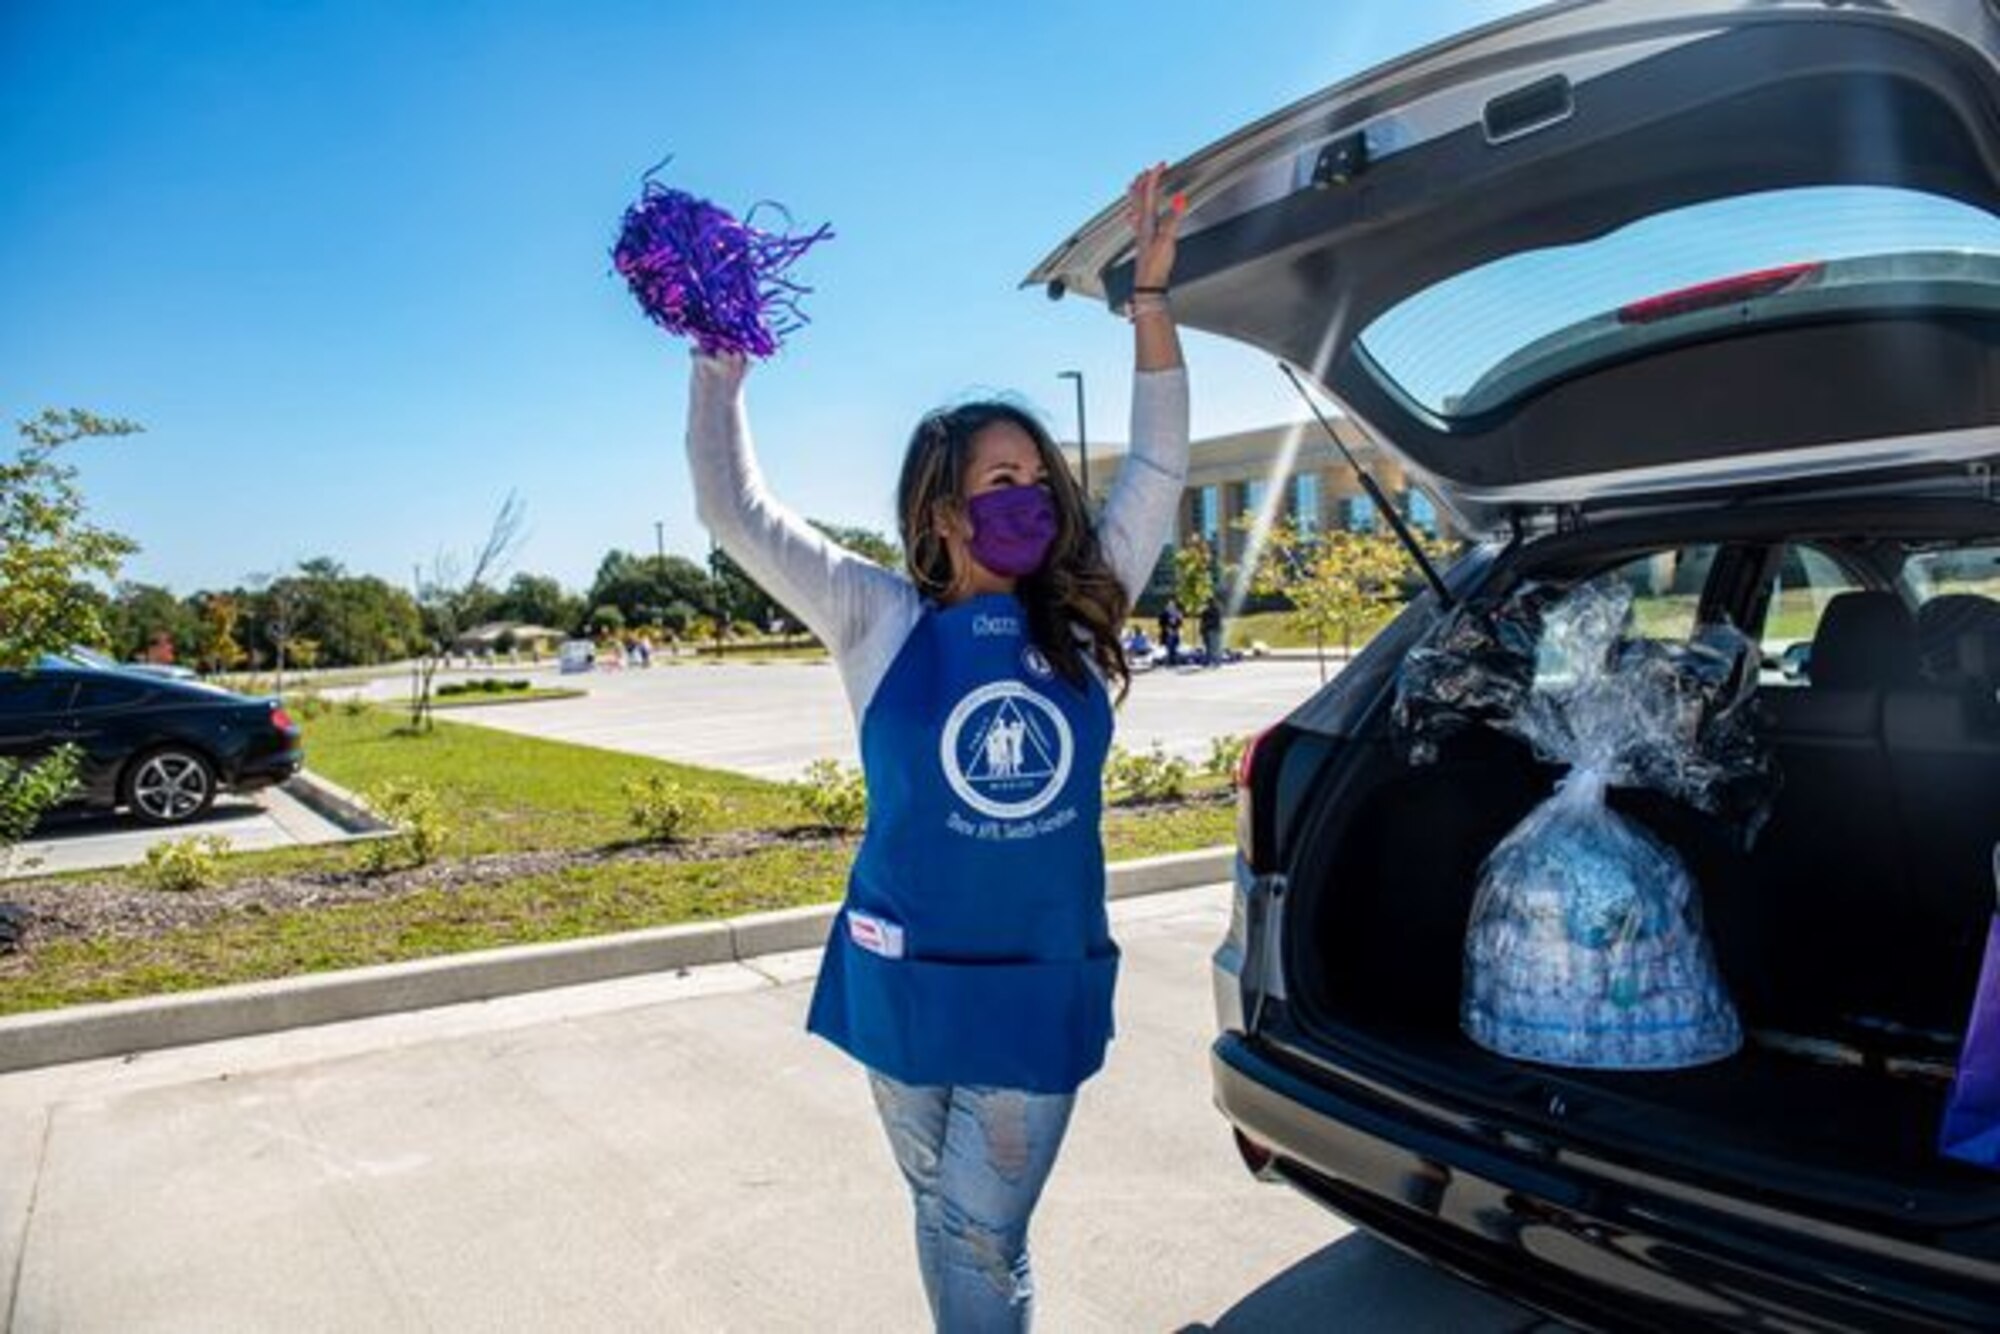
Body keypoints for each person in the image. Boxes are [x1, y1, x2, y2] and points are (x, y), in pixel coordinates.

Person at [682, 165, 1186, 1331]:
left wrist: (1149, 301)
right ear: (943, 511)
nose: (1035, 500)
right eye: (1001, 481)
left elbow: (1156, 470)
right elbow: (733, 512)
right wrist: (720, 366)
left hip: (1036, 978)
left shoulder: (1086, 604)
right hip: (900, 971)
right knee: (940, 1210)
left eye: (1039, 479)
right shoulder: (877, 618)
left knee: (979, 1225)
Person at [1157, 597, 1184, 666]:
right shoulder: (1164, 613)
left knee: (1174, 647)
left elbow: (1180, 623)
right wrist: (1166, 627)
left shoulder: (1177, 613)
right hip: (1167, 632)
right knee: (1169, 647)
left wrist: (1179, 619)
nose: (1172, 606)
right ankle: (1169, 661)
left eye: (1173, 605)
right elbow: (1160, 623)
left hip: (1175, 632)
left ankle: (1173, 661)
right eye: (1170, 605)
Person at [1199, 597, 1223, 667]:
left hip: (1213, 630)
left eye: (1209, 603)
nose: (1208, 604)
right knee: (1208, 647)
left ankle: (1216, 661)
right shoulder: (1206, 611)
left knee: (1214, 646)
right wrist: (1202, 629)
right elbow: (1202, 621)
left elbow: (1215, 621)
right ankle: (1208, 661)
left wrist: (1205, 625)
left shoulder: (1215, 610)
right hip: (1208, 631)